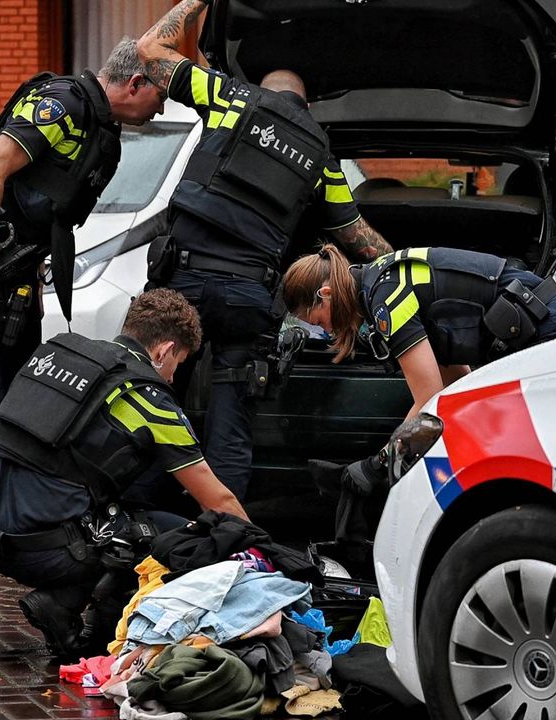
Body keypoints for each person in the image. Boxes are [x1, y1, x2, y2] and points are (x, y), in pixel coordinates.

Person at [0, 39, 168, 589]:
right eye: (160, 97)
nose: (161, 109)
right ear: (134, 86)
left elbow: (151, 41)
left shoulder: (101, 120)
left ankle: (5, 526)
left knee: (23, 402)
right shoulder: (64, 105)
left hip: (18, 268)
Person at [134, 0, 393, 503]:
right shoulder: (320, 155)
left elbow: (149, 51)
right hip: (248, 300)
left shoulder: (230, 98)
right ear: (309, 106)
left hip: (180, 286)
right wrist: (409, 268)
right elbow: (356, 235)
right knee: (230, 423)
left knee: (150, 401)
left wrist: (199, 1)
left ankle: (139, 526)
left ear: (262, 89)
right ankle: (224, 537)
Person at [0, 289, 249, 658]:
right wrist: (264, 557)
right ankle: (97, 634)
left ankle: (62, 602)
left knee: (111, 507)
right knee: (186, 537)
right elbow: (218, 501)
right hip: (42, 551)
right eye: (178, 363)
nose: (173, 375)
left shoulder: (64, 358)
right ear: (164, 351)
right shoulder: (147, 398)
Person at [284, 243, 556, 421]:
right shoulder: (379, 282)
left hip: (555, 331)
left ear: (326, 294)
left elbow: (429, 398)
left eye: (318, 320)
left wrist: (384, 461)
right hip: (549, 328)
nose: (325, 328)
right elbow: (455, 390)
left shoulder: (387, 299)